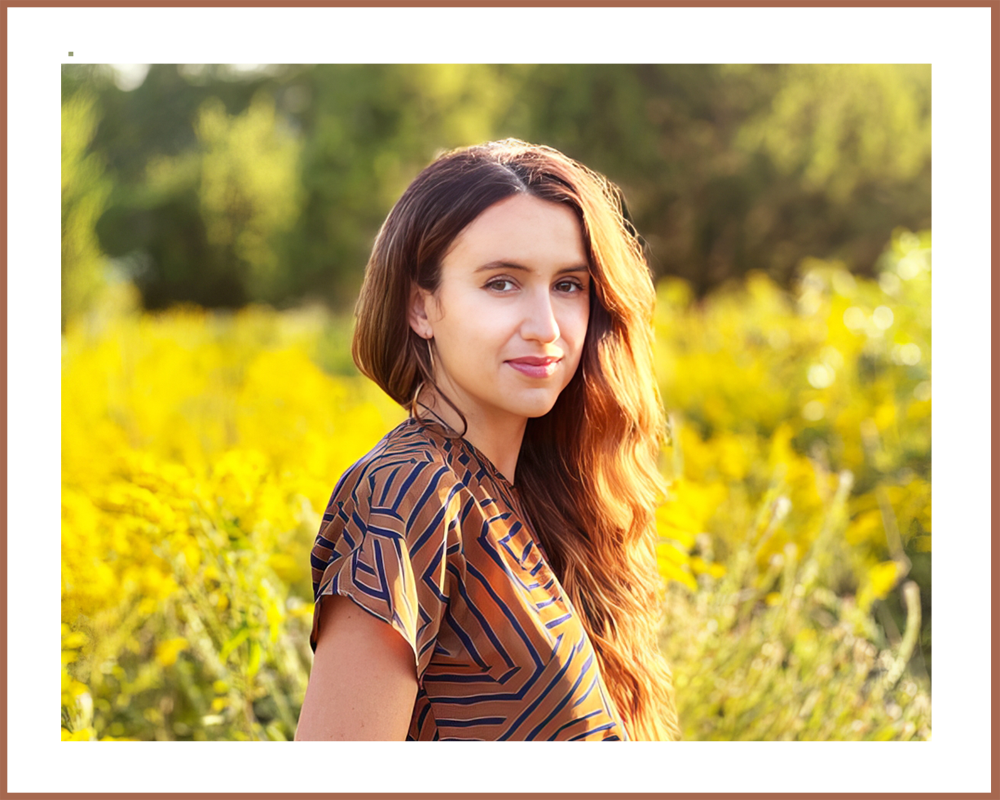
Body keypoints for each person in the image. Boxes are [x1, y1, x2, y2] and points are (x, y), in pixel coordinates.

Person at [295, 139, 680, 767]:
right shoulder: (408, 493)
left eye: (569, 285)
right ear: (422, 305)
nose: (546, 325)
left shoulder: (539, 497)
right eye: (502, 283)